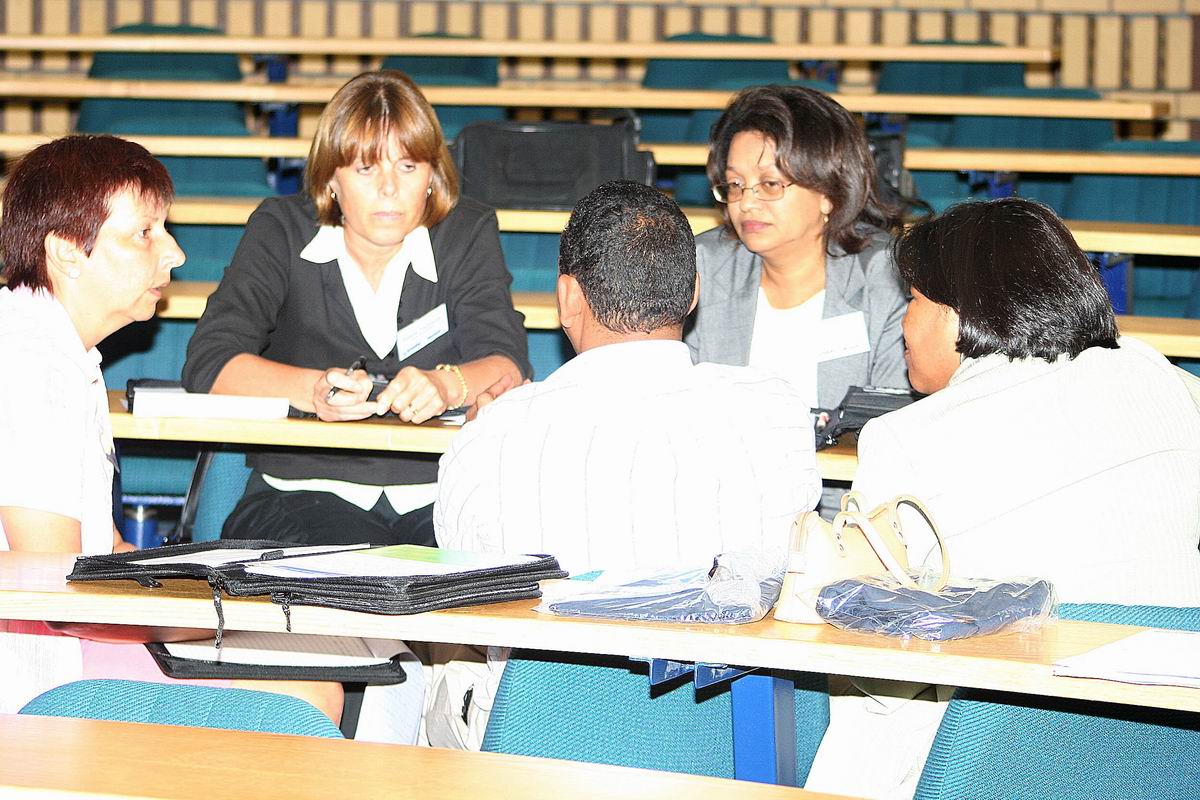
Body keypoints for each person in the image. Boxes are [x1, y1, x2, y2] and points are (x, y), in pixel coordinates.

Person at [804, 197, 1200, 800]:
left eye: (914, 300)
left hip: (985, 757)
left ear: (961, 314)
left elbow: (881, 674)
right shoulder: (1164, 379)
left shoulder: (904, 439)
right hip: (1169, 744)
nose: (904, 322)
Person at [426, 180, 821, 750]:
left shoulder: (491, 433)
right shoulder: (777, 410)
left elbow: (469, 583)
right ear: (694, 293)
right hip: (740, 745)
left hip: (540, 748)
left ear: (567, 298)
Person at [0, 135, 340, 720]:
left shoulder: (55, 349)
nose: (175, 254)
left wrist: (215, 590)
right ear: (66, 252)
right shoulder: (32, 367)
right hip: (33, 672)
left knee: (304, 657)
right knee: (306, 695)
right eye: (144, 233)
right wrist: (223, 618)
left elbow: (104, 551)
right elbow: (52, 586)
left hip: (55, 640)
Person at [183, 70, 530, 547]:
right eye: (367, 169)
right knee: (356, 571)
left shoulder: (466, 232)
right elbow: (210, 362)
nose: (389, 188)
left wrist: (447, 384)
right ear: (331, 177)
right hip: (300, 492)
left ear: (432, 176)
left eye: (407, 166)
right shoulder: (280, 230)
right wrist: (314, 391)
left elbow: (508, 363)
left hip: (440, 493)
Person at [685, 85, 910, 417]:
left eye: (769, 184)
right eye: (735, 185)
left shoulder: (886, 278)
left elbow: (894, 421)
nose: (746, 203)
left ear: (829, 193)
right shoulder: (702, 266)